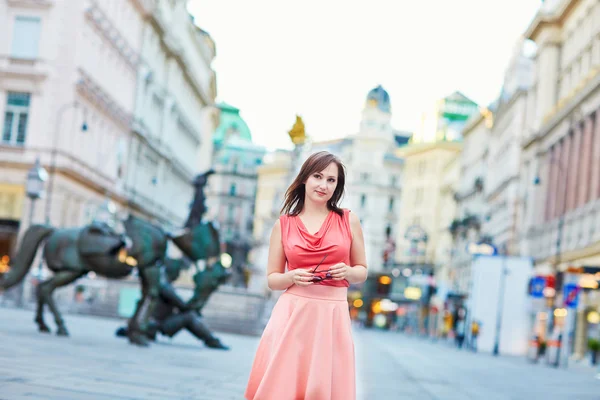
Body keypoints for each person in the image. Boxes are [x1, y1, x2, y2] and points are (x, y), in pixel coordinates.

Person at [244, 151, 368, 400]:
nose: (323, 185)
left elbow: (362, 270)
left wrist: (348, 271)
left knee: (323, 387)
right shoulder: (284, 224)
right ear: (304, 179)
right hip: (293, 312)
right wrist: (292, 277)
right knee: (283, 385)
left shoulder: (348, 220)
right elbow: (272, 278)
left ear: (337, 186)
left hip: (331, 314)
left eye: (331, 180)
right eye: (317, 176)